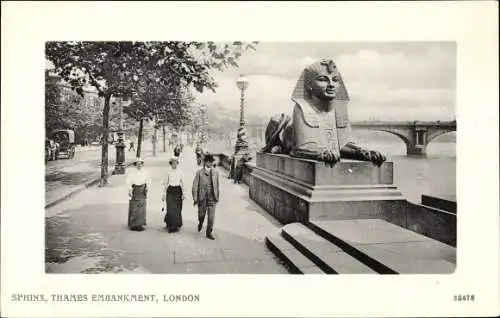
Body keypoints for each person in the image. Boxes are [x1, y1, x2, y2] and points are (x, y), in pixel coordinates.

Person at [192, 154, 219, 240]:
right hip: (202, 197)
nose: (210, 163)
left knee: (211, 218)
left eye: (211, 162)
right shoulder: (199, 173)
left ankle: (209, 232)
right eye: (208, 162)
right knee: (201, 215)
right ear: (205, 162)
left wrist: (217, 196)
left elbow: (217, 185)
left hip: (212, 197)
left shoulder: (215, 173)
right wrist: (195, 198)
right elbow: (195, 186)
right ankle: (200, 222)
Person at [126, 157, 152, 231]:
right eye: (137, 164)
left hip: (142, 190)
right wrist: (130, 190)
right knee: (135, 207)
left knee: (141, 208)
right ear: (135, 165)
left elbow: (149, 181)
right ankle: (133, 224)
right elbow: (128, 181)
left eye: (140, 164)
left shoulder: (145, 172)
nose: (139, 165)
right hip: (135, 190)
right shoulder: (132, 173)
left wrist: (147, 188)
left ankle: (139, 224)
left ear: (142, 165)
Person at [161, 156, 185, 233]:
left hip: (178, 191)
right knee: (170, 208)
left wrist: (184, 193)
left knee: (177, 209)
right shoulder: (168, 171)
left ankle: (175, 226)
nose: (174, 164)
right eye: (173, 162)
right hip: (170, 190)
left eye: (176, 162)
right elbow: (165, 183)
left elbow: (183, 183)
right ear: (170, 163)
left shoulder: (180, 171)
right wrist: (163, 194)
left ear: (177, 163)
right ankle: (170, 224)